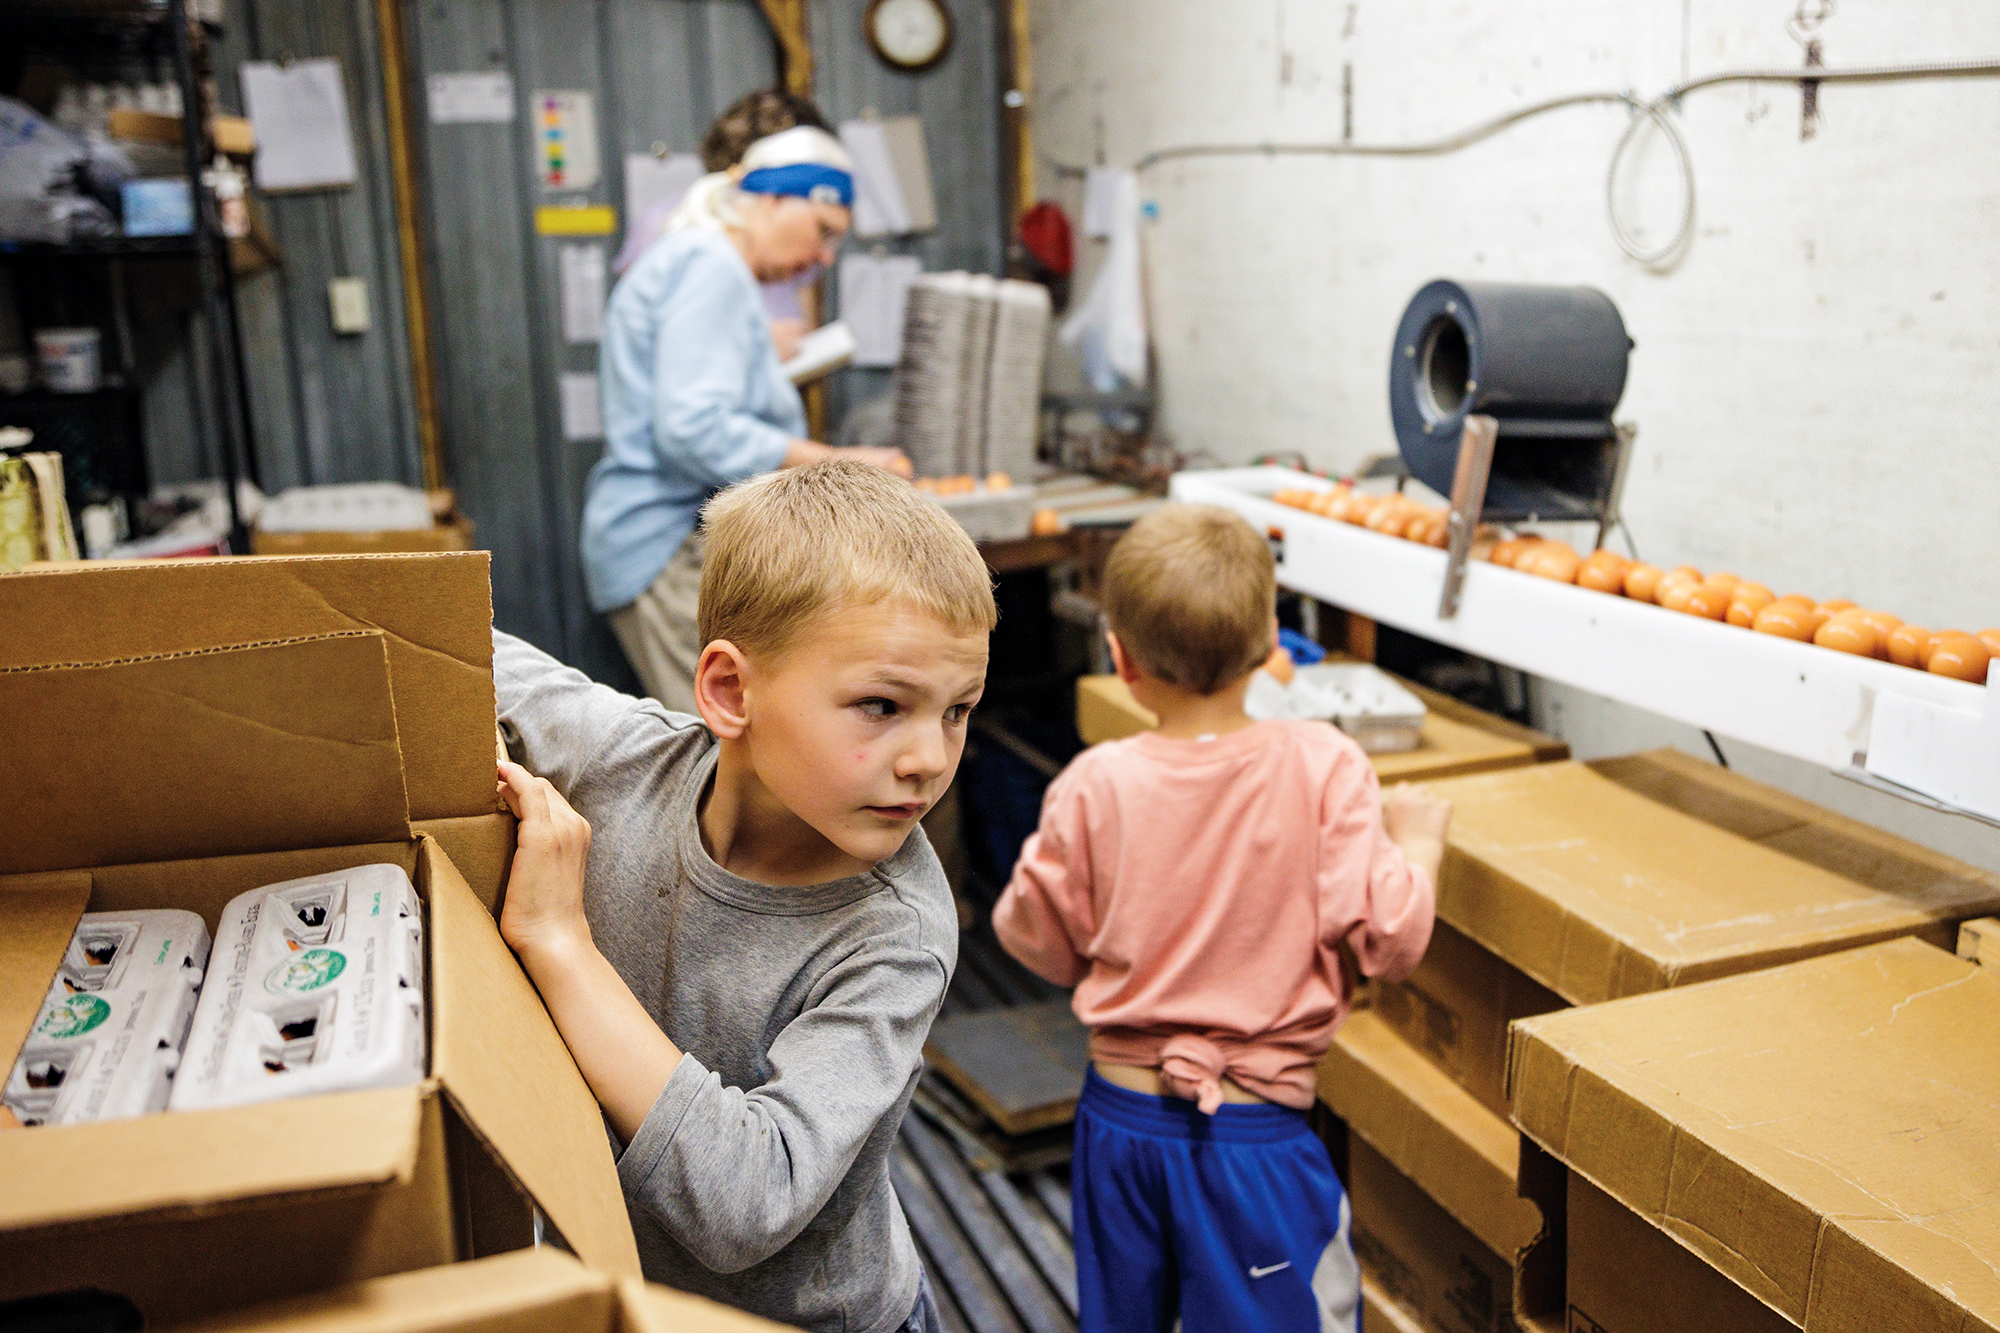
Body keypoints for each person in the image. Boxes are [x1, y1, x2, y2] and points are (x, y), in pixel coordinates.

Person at [494, 460, 995, 1333]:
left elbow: (748, 1200)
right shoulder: (628, 762)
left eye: (957, 710)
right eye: (883, 705)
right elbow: (444, 648)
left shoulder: (895, 930)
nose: (930, 757)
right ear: (730, 690)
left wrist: (559, 942)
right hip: (635, 1299)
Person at [992, 504, 1448, 1333]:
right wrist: (1417, 844)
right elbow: (1391, 939)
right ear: (1270, 642)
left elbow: (1032, 933)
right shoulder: (1326, 765)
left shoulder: (1093, 783)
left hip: (1116, 1126)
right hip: (1250, 1141)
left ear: (1118, 655)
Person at [583, 126, 910, 714]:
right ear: (772, 198)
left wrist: (758, 348)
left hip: (659, 543)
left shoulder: (695, 258)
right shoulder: (713, 265)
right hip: (663, 546)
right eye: (824, 231)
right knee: (718, 751)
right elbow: (691, 427)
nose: (824, 257)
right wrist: (840, 464)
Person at [613, 87, 832, 362]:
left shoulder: (787, 233)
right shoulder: (670, 225)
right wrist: (756, 350)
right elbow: (644, 345)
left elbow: (804, 318)